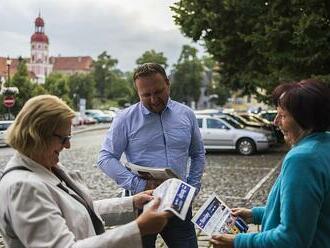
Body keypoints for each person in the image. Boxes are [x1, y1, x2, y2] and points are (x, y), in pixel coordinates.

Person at [0, 95, 170, 248]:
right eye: (64, 138)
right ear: (37, 135)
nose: (68, 145)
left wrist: (132, 203)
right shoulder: (24, 187)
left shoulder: (43, 165)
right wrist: (138, 229)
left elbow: (78, 212)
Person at [211, 79, 330, 248]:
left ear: (304, 119)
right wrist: (254, 214)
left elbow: (292, 239)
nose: (275, 122)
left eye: (282, 115)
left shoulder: (303, 159)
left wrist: (238, 242)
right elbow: (308, 212)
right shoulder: (324, 144)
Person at [97, 63, 206, 247]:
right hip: (141, 204)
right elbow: (105, 158)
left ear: (167, 83)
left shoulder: (186, 114)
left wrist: (193, 187)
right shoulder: (125, 118)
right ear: (137, 92)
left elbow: (197, 153)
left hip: (178, 202)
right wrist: (138, 184)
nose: (154, 100)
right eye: (146, 95)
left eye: (158, 91)